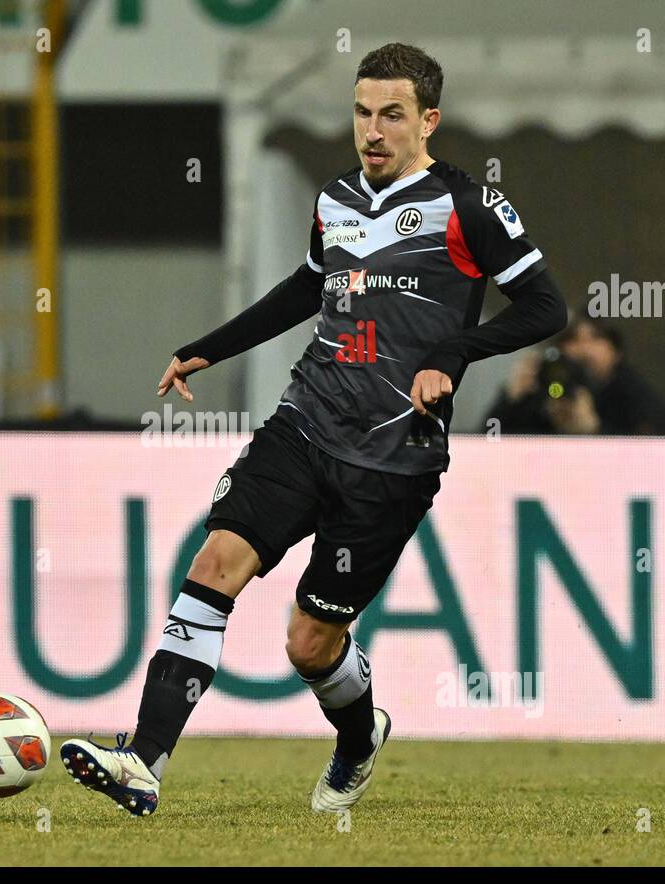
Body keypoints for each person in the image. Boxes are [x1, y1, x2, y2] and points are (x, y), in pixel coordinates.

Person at [59, 42, 566, 817]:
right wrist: (207, 347)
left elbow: (544, 308)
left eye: (392, 115)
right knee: (216, 560)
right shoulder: (336, 201)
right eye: (363, 112)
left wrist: (455, 354)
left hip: (394, 457)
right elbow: (306, 287)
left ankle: (359, 738)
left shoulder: (467, 205)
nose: (373, 129)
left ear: (429, 120)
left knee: (310, 644)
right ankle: (144, 761)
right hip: (305, 420)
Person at [487, 315, 665, 435]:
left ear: (616, 352)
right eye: (572, 339)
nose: (584, 348)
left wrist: (594, 430)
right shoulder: (543, 385)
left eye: (596, 337)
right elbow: (486, 440)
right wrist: (510, 399)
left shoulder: (633, 394)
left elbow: (654, 451)